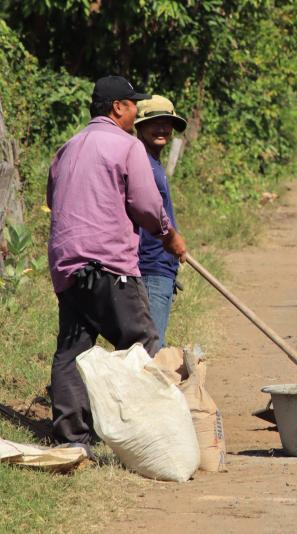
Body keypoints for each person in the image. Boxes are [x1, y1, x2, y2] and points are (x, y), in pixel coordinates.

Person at [47, 76, 187, 454]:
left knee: (72, 352)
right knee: (143, 344)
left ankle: (72, 438)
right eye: (132, 103)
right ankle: (146, 435)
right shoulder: (127, 146)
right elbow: (145, 205)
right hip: (109, 264)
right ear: (118, 107)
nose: (136, 110)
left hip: (67, 266)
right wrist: (168, 234)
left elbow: (53, 199)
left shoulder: (67, 147)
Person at [134, 95, 188, 349]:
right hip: (149, 268)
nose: (162, 128)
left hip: (161, 267)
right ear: (139, 126)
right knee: (150, 348)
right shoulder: (140, 164)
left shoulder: (153, 163)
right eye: (155, 122)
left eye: (167, 123)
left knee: (150, 344)